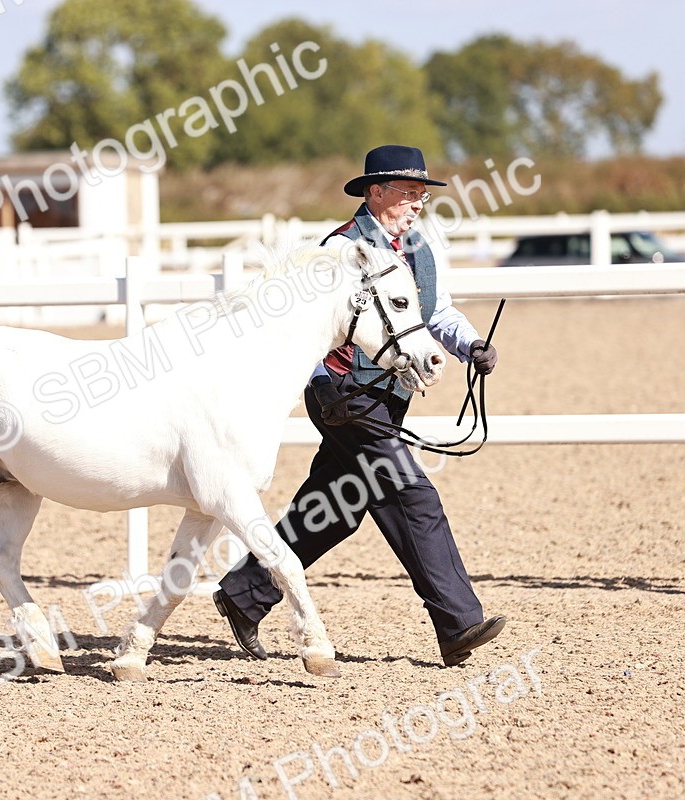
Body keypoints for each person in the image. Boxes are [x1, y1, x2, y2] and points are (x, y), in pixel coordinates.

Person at [213, 144, 505, 667]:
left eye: (422, 195)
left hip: (390, 395)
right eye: (409, 194)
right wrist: (320, 380)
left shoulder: (419, 247)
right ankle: (458, 623)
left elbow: (435, 312)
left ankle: (244, 594)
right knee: (412, 496)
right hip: (344, 394)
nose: (418, 204)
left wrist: (470, 344)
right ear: (376, 191)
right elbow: (302, 328)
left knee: (338, 507)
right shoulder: (339, 249)